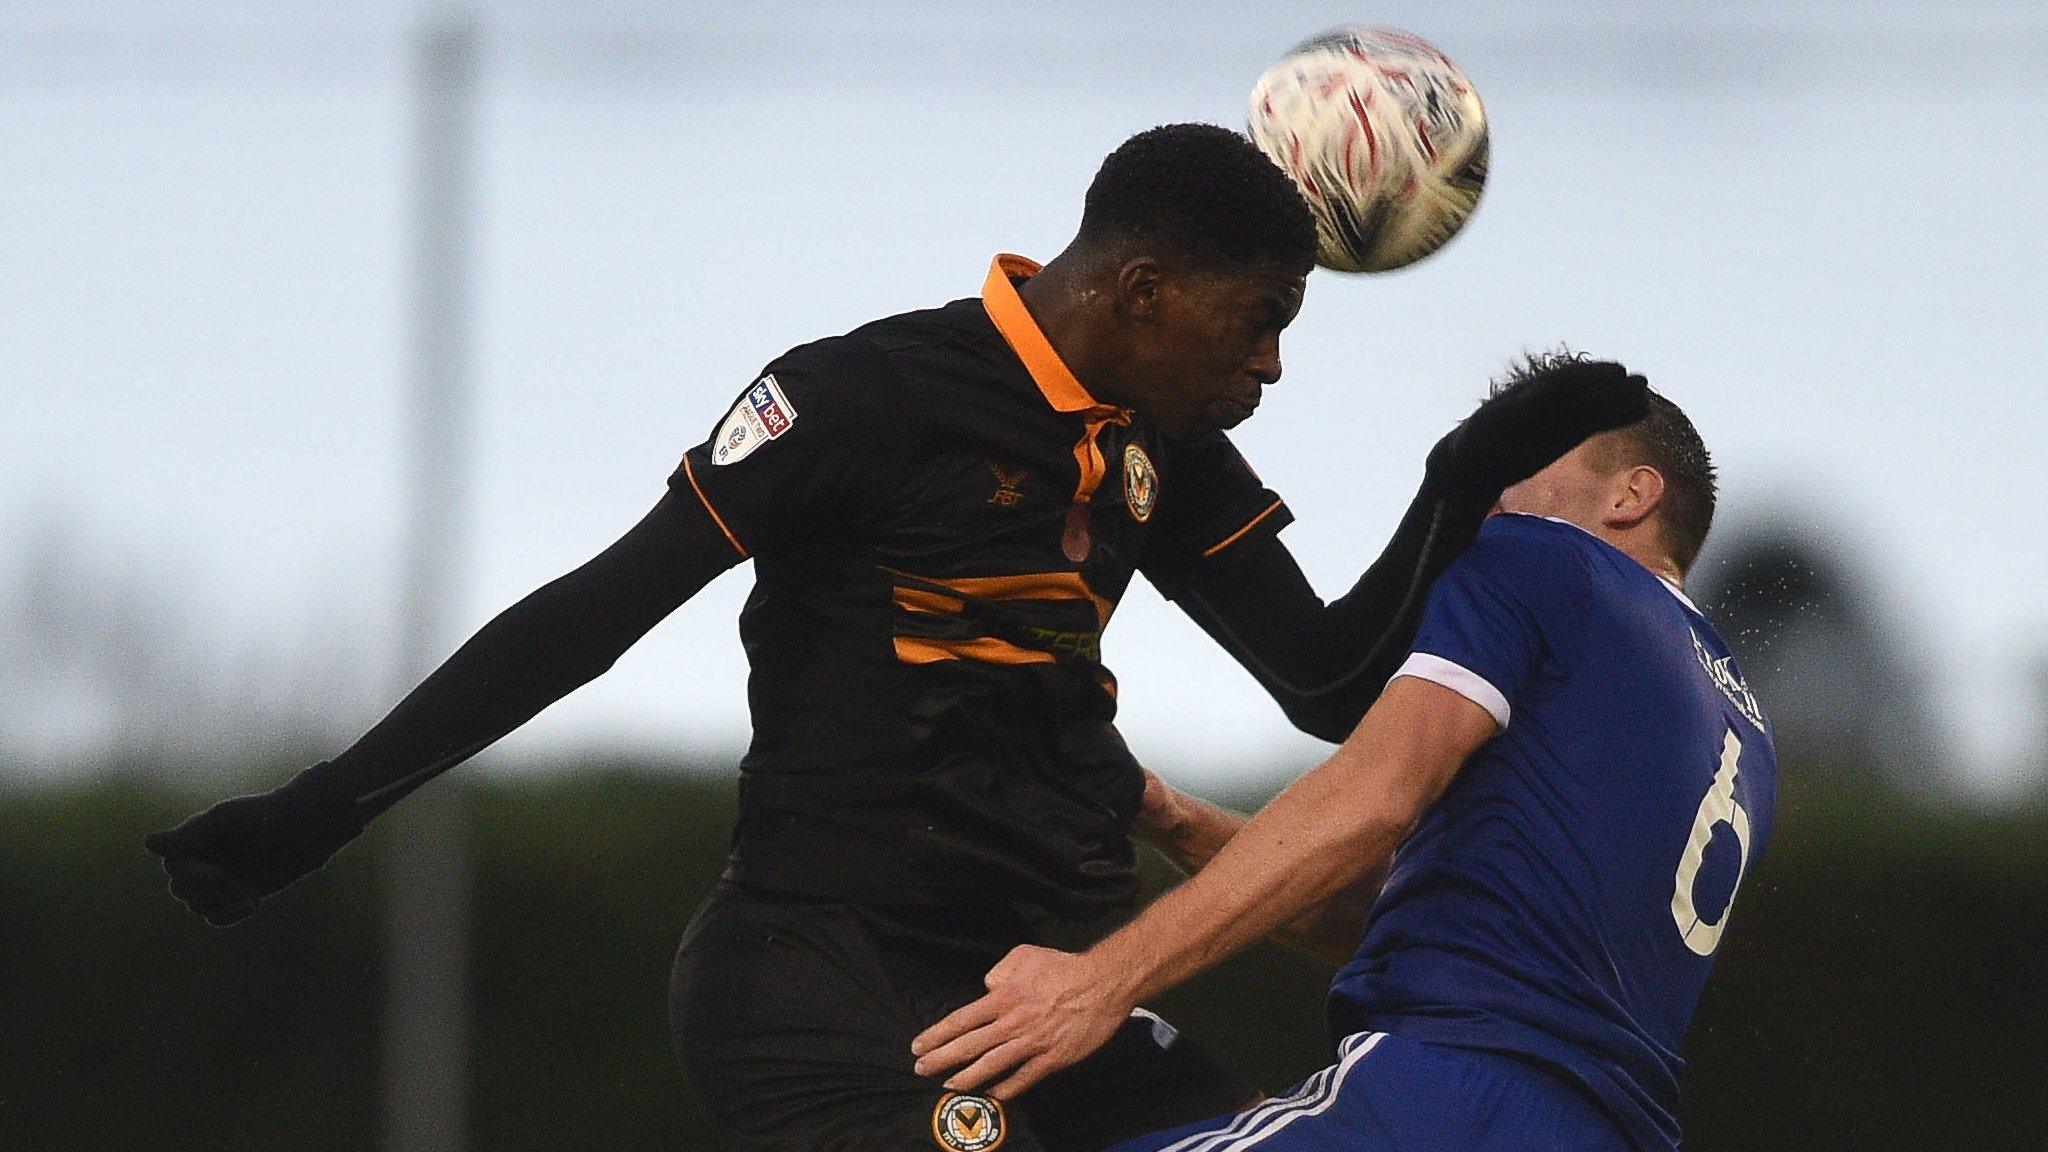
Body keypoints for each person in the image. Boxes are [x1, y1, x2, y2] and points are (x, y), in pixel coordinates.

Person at [145, 125, 1647, 1152]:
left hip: (1052, 993)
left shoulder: (1164, 447)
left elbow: (1328, 682)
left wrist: (1469, 471)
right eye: (1256, 321)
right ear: (1139, 291)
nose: (1267, 366)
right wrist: (314, 811)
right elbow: (591, 617)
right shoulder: (860, 399)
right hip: (831, 984)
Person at [912, 366, 1774, 1152]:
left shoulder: (1546, 560)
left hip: (1451, 1102)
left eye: (1523, 456)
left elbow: (1378, 793)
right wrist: (1177, 821)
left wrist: (1097, 980)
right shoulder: (1735, 725)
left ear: (1632, 494)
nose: (1489, 490)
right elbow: (1413, 918)